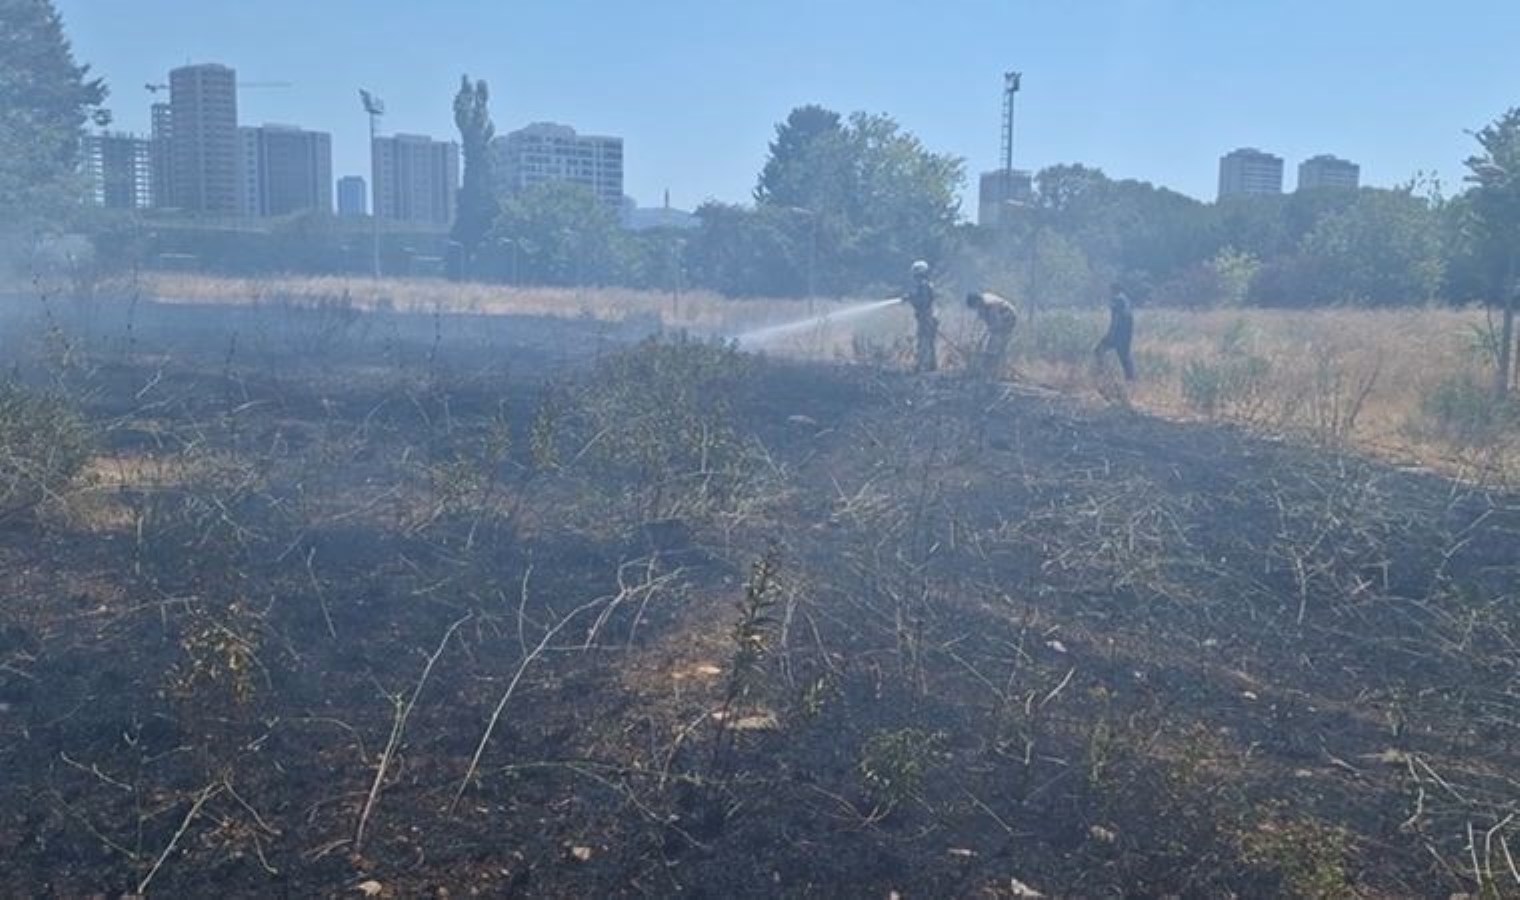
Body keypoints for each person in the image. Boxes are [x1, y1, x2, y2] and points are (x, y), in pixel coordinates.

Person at [965, 291, 1018, 378]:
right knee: (993, 344)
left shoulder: (991, 305)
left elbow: (995, 324)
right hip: (999, 320)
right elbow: (986, 325)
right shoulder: (982, 306)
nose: (975, 309)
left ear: (977, 301)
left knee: (996, 345)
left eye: (975, 306)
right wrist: (980, 340)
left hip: (1008, 317)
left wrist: (985, 338)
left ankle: (997, 372)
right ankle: (994, 370)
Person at [1094, 283, 1136, 381]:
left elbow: (1116, 318)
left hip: (1117, 333)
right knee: (1125, 357)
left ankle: (1102, 374)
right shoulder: (1125, 299)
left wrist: (1111, 333)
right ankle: (1131, 381)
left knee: (1098, 350)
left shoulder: (1117, 300)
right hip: (1126, 334)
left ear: (1114, 289)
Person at [902, 260, 938, 373]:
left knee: (924, 341)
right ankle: (931, 366)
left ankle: (922, 366)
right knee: (929, 342)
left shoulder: (923, 286)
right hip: (929, 317)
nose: (914, 277)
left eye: (915, 275)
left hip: (926, 318)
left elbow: (923, 302)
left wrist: (910, 298)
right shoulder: (926, 285)